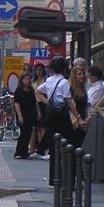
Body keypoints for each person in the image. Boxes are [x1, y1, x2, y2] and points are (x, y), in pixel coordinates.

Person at [37, 56, 70, 185]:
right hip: (61, 115)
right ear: (64, 69)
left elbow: (38, 91)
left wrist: (48, 102)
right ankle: (61, 176)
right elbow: (68, 100)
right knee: (63, 143)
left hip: (50, 114)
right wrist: (77, 116)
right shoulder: (64, 82)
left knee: (53, 145)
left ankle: (53, 178)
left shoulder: (49, 80)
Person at [13, 73, 37, 159]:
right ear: (22, 80)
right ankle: (18, 152)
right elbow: (16, 103)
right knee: (23, 133)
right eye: (26, 79)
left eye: (29, 79)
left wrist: (38, 113)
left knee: (28, 133)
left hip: (31, 114)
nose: (28, 81)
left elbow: (35, 102)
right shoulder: (19, 90)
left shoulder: (31, 90)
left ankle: (24, 152)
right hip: (22, 114)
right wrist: (20, 115)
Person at [30, 63, 50, 157]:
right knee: (37, 127)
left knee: (43, 127)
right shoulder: (33, 80)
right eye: (37, 69)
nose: (39, 71)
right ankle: (38, 147)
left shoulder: (46, 80)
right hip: (35, 104)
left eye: (40, 69)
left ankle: (44, 148)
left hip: (43, 104)